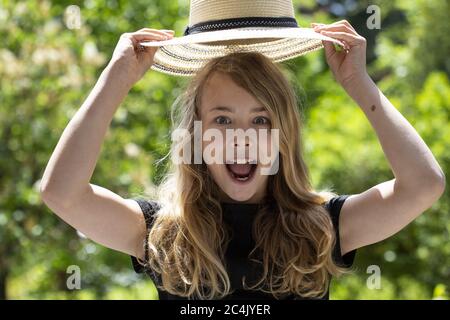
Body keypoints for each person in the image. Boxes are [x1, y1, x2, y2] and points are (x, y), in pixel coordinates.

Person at [40, 21, 445, 300]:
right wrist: (115, 79)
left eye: (260, 119)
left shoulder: (324, 226)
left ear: (283, 136)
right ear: (196, 135)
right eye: (221, 119)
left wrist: (359, 84)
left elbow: (423, 185)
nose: (241, 138)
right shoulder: (160, 232)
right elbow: (62, 193)